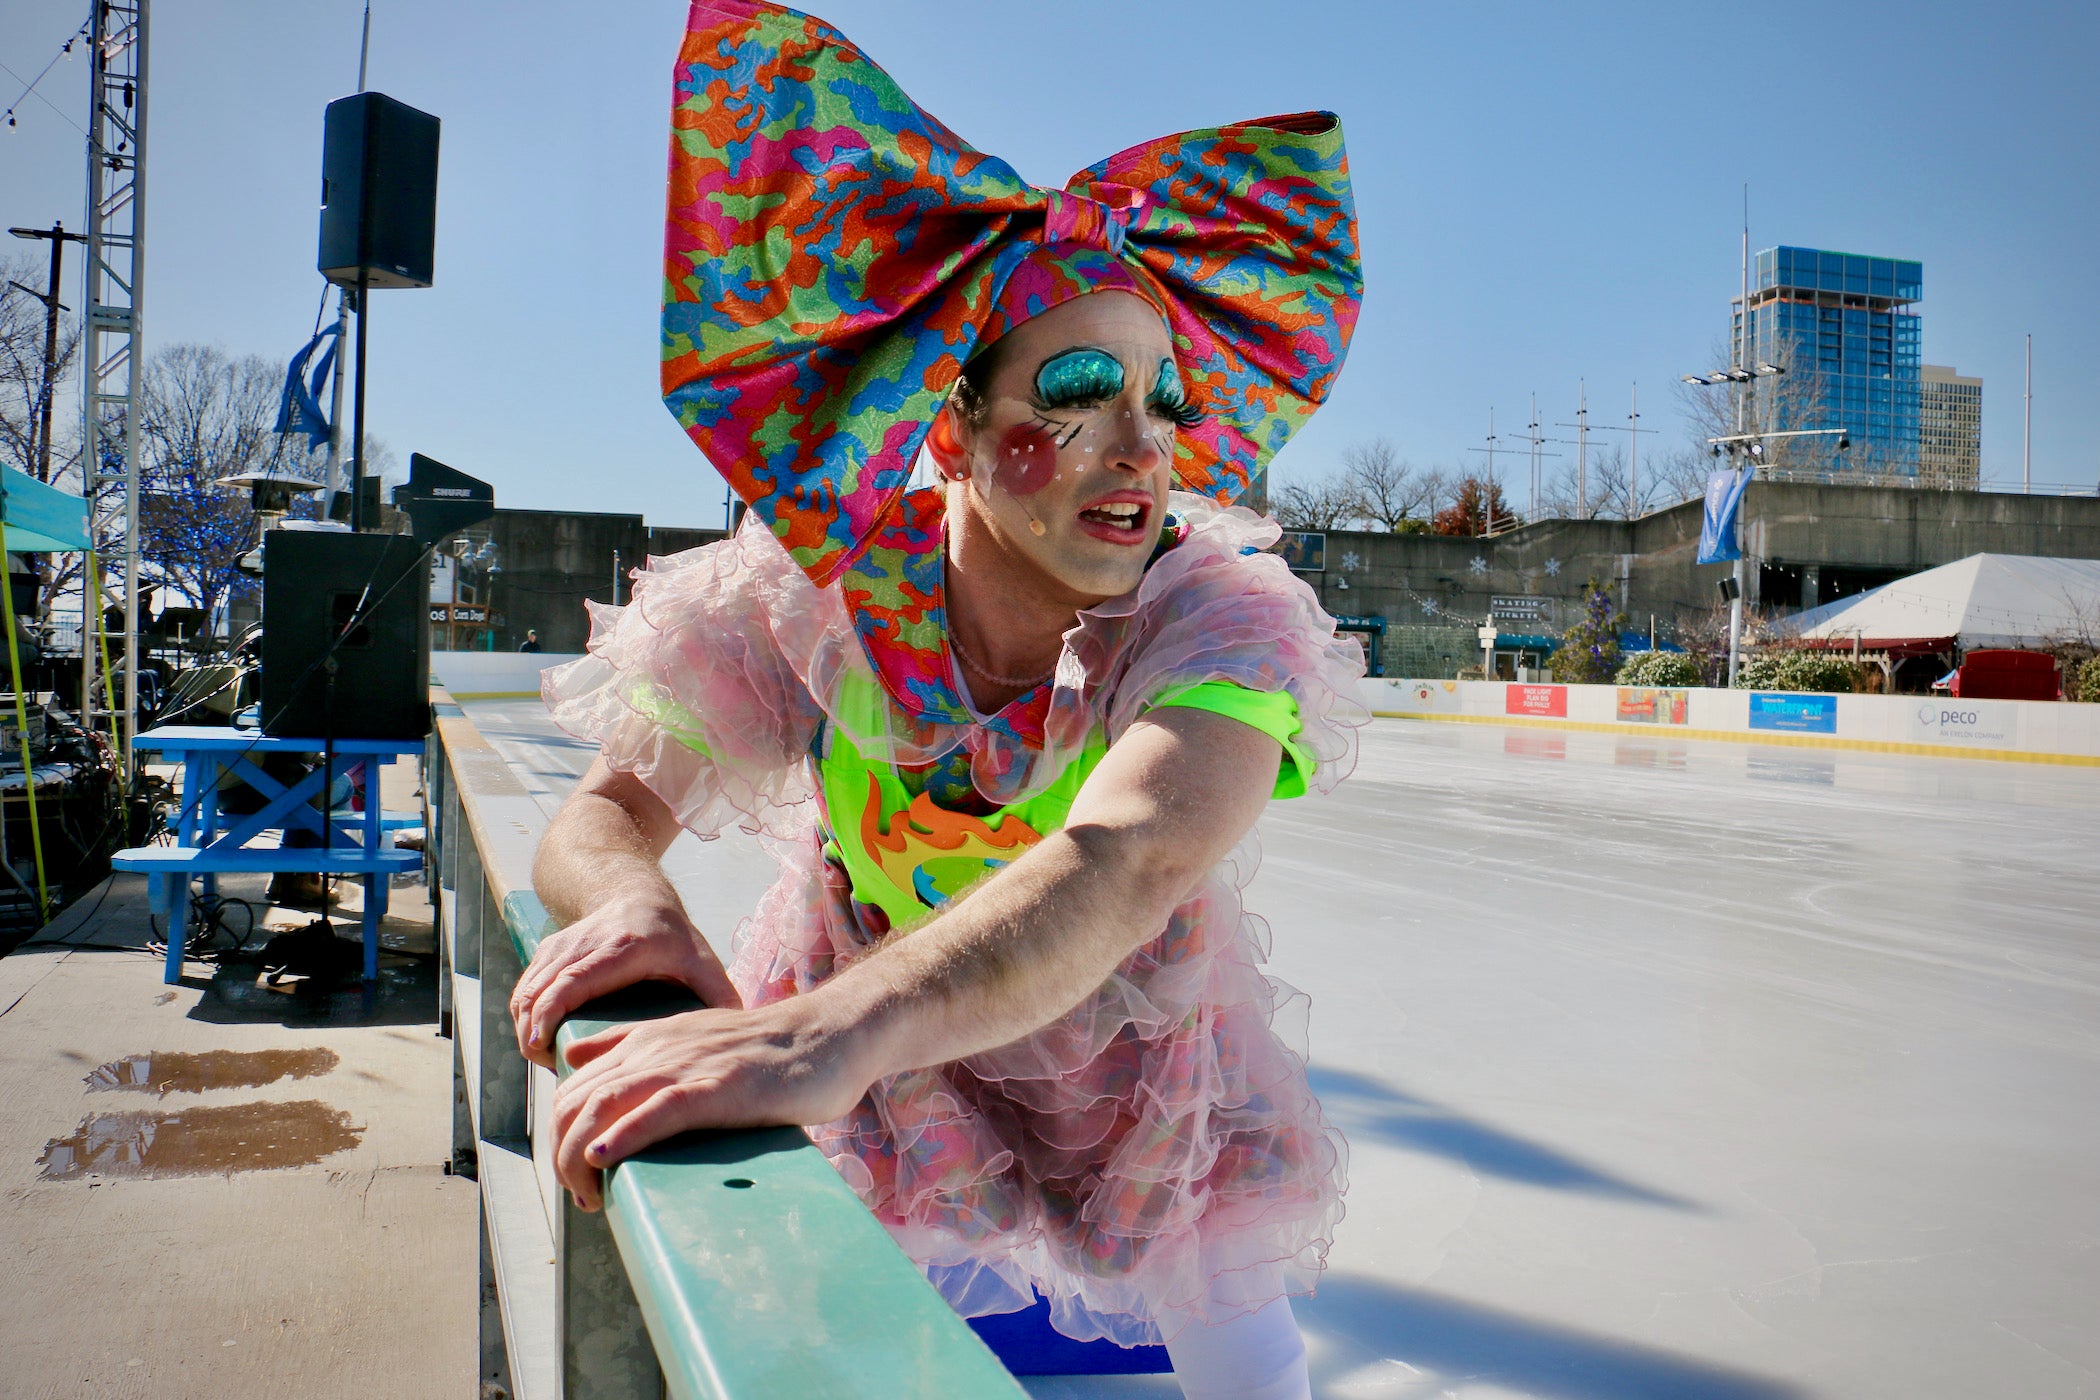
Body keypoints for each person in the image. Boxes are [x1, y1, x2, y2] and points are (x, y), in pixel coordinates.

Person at [514, 4, 1365, 1396]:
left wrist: (814, 1035)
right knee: (828, 1351)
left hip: (1145, 1078)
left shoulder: (1213, 613)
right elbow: (600, 815)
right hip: (896, 1086)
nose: (1140, 447)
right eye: (1079, 393)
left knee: (1249, 1366)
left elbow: (1131, 853)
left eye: (1165, 401)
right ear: (952, 430)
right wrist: (633, 904)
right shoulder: (816, 592)